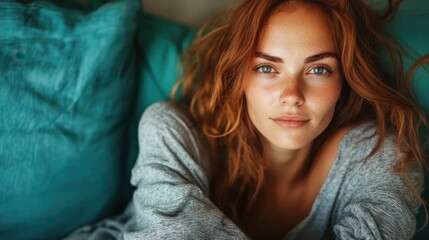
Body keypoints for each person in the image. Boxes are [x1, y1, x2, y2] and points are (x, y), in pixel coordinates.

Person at [65, 0, 428, 239]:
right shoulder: (169, 130)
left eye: (318, 69)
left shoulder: (380, 154)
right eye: (268, 68)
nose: (292, 94)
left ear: (344, 81)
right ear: (240, 77)